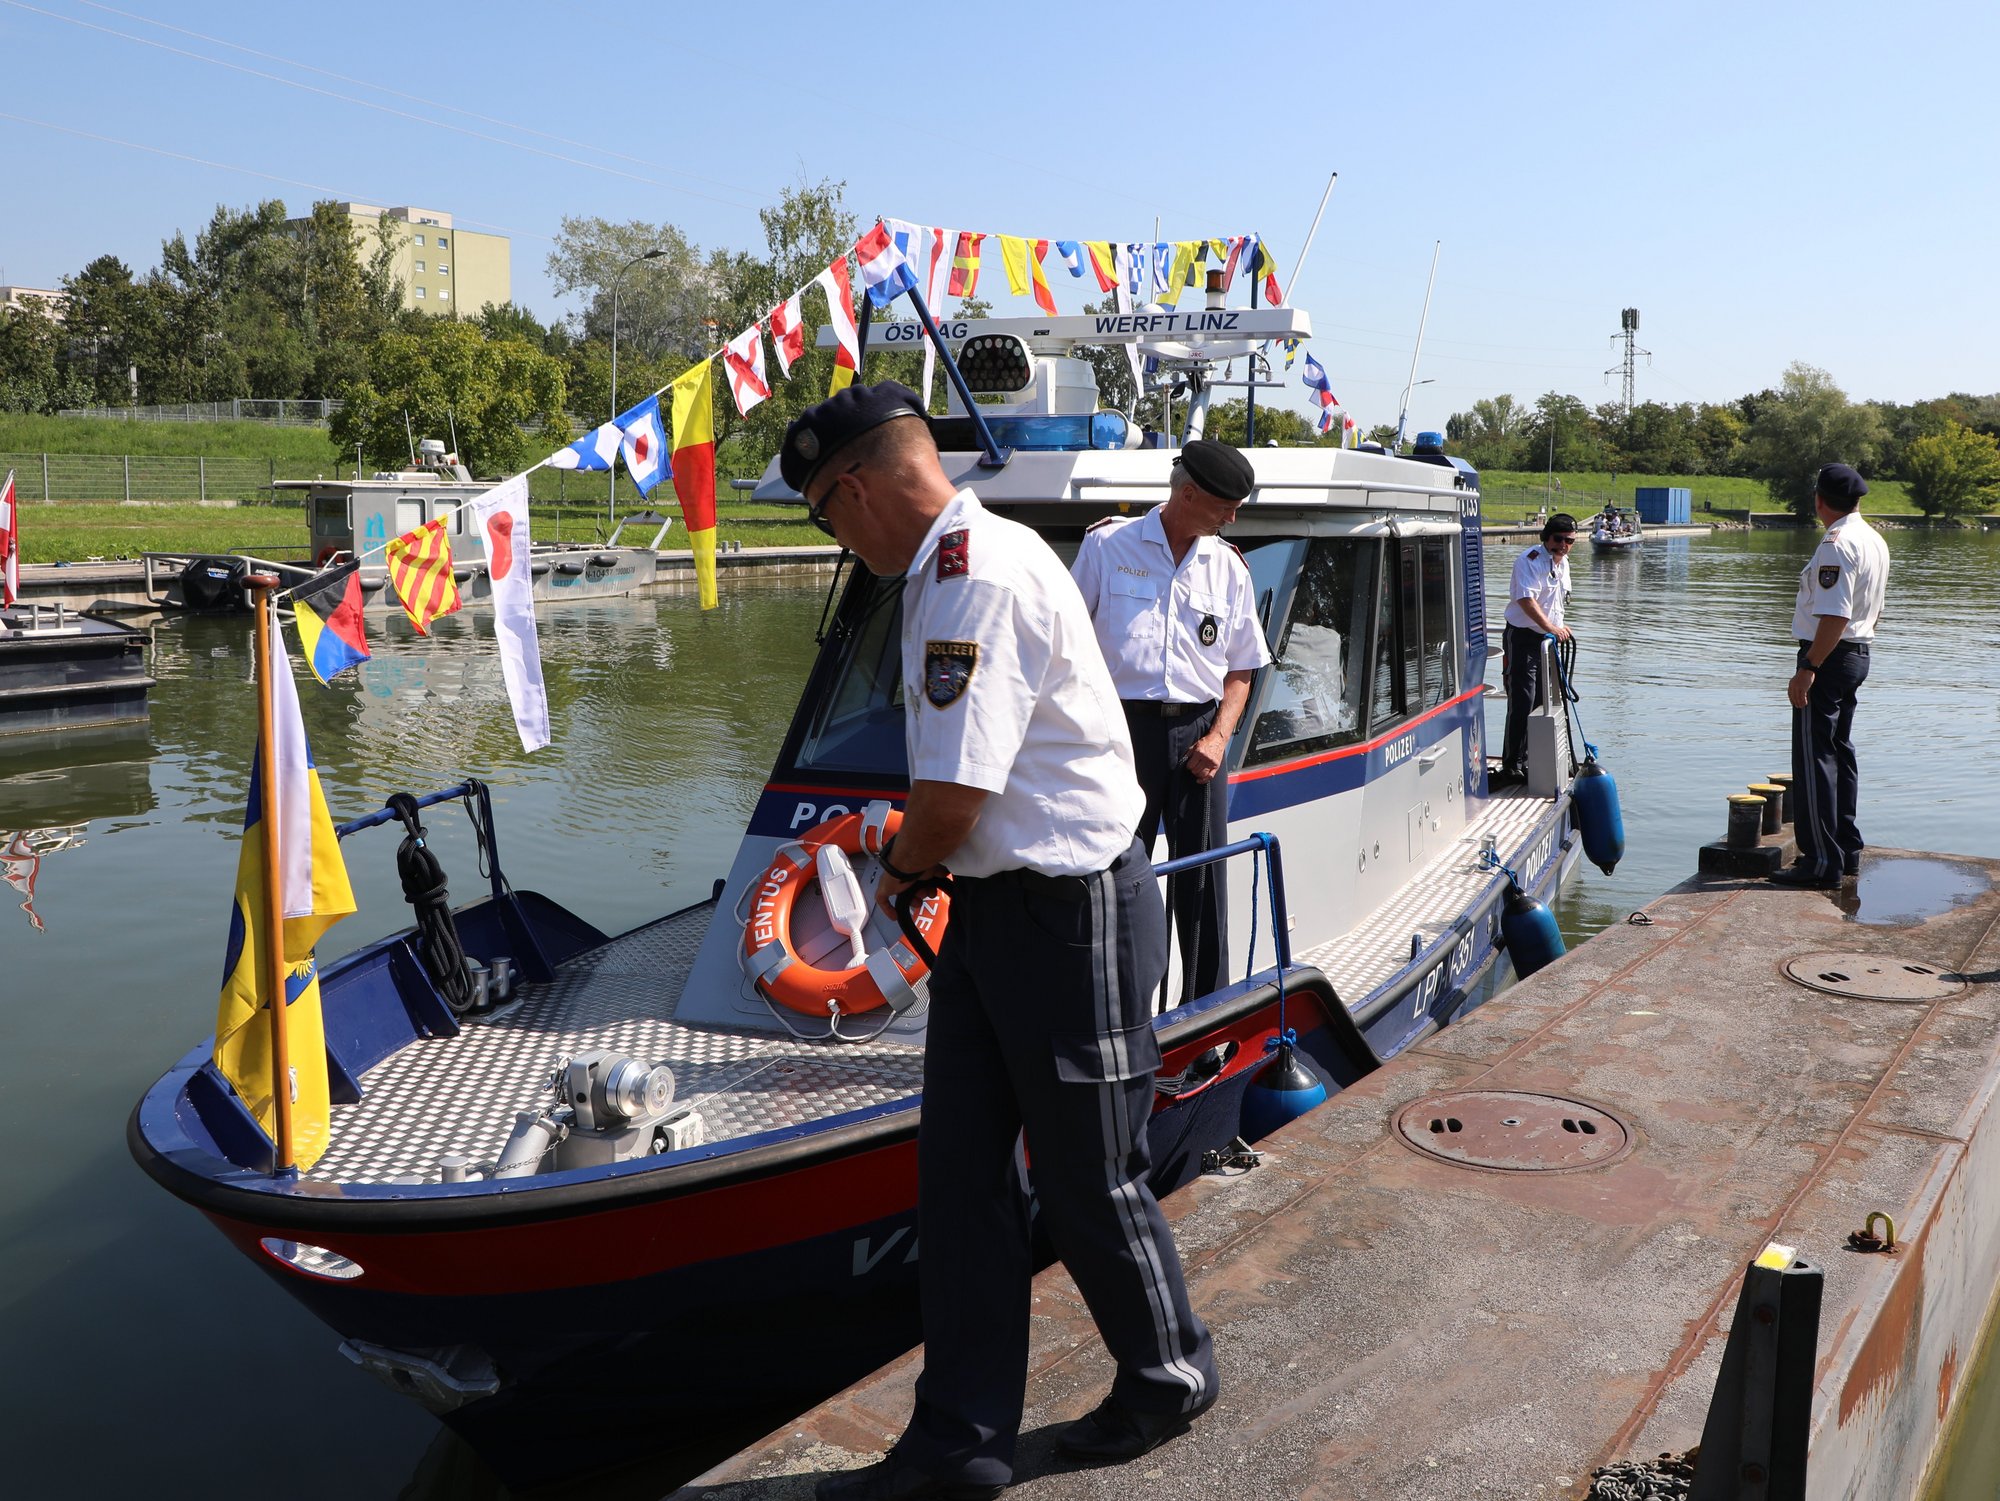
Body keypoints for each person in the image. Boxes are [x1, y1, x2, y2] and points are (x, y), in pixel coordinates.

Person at [782, 383, 1217, 1501]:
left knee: (1085, 1179)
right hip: (993, 913)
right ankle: (957, 1445)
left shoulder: (973, 578)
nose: (837, 536)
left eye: (828, 514)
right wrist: (927, 874)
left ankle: (1167, 1376)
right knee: (960, 1180)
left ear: (861, 486)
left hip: (1070, 914)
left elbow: (953, 797)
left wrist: (889, 882)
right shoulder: (944, 569)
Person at [1070, 438, 1271, 1001]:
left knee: (1203, 884)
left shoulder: (1229, 569)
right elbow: (1066, 648)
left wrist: (1219, 737)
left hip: (1199, 739)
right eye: (1225, 506)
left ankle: (1206, 1019)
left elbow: (1241, 670)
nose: (1233, 517)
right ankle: (1110, 1006)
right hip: (1119, 735)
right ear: (1188, 494)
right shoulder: (1107, 546)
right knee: (1108, 874)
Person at [1771, 463, 1890, 888]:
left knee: (1814, 756)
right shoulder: (1873, 539)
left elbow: (1834, 615)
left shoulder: (1836, 544)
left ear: (1819, 500)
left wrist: (1808, 668)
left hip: (1829, 656)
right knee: (1839, 752)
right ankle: (1846, 849)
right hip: (1858, 653)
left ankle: (1821, 862)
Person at [1493, 512, 1576, 788]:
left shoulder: (1563, 564)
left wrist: (1560, 627)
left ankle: (1530, 758)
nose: (1564, 545)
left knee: (1544, 700)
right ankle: (1511, 764)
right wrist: (1552, 627)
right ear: (1546, 538)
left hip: (1546, 642)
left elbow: (1557, 602)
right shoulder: (1529, 561)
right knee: (1522, 700)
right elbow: (1527, 601)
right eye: (1559, 539)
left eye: (1569, 541)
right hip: (1524, 638)